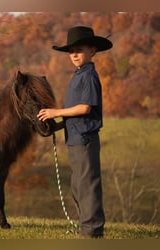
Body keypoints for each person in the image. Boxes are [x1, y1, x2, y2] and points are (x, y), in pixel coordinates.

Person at [37, 26, 113, 238]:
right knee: (78, 187)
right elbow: (75, 114)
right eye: (71, 52)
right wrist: (58, 124)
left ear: (92, 51)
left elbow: (85, 108)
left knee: (87, 186)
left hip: (85, 139)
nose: (75, 55)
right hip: (75, 138)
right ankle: (85, 228)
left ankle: (92, 232)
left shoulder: (89, 76)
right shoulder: (78, 75)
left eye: (79, 50)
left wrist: (55, 112)